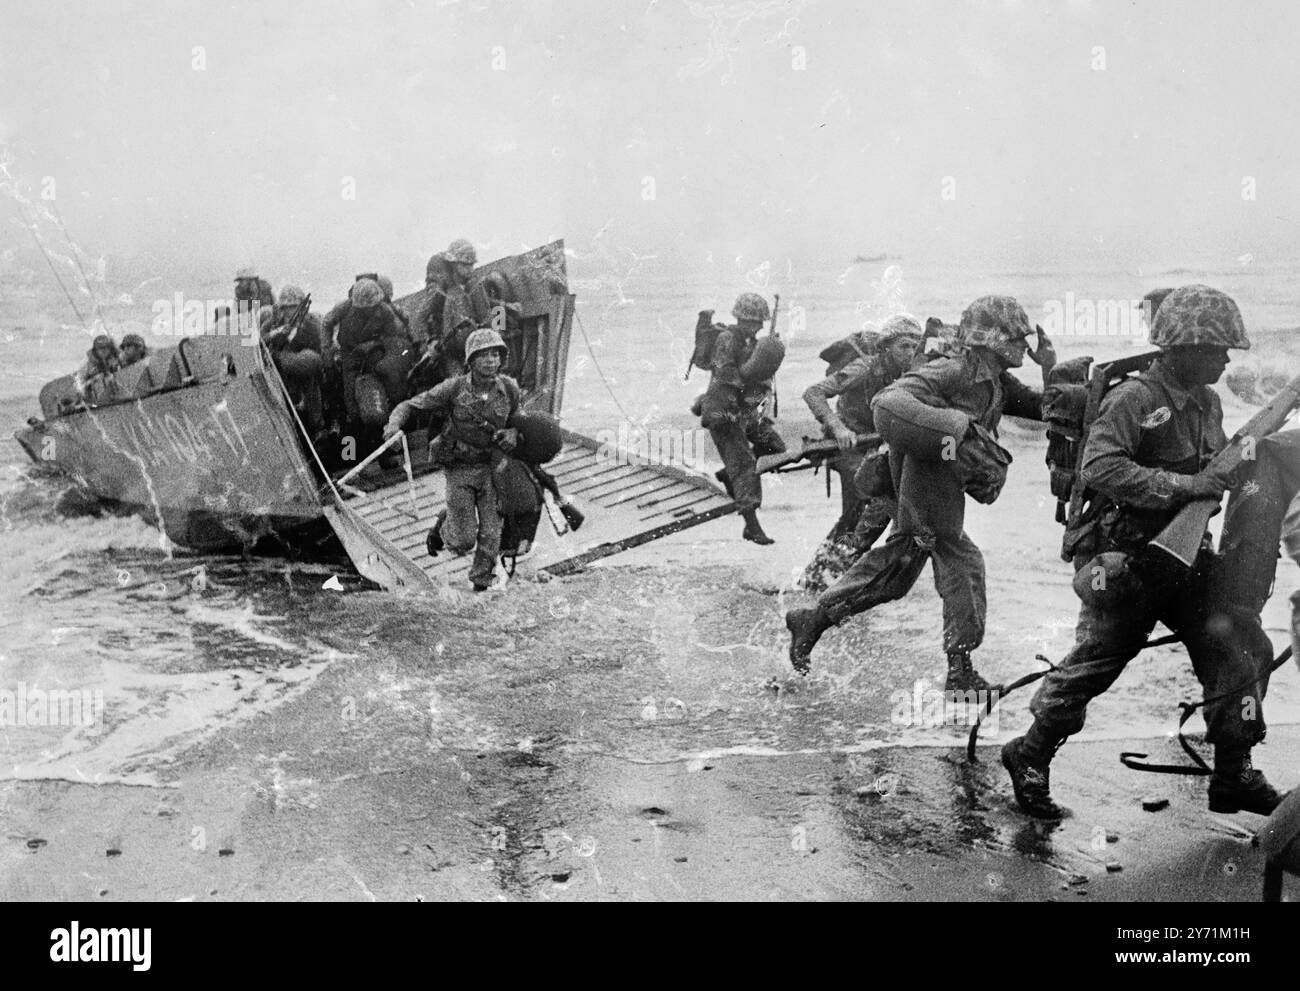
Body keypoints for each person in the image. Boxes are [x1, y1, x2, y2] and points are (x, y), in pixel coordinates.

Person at [1002, 285, 1282, 819]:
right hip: (1125, 559)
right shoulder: (1134, 399)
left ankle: (1233, 773)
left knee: (1241, 647)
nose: (1226, 359)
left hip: (1184, 558)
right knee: (1096, 664)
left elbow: (1216, 469)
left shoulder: (1209, 401)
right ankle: (1030, 754)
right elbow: (1100, 468)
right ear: (1183, 346)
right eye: (1218, 348)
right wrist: (1183, 489)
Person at [785, 296, 1047, 690]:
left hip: (935, 481)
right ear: (992, 339)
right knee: (962, 561)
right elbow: (888, 403)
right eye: (1016, 337)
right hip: (923, 477)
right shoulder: (954, 368)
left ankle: (814, 619)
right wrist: (954, 428)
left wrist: (1053, 368)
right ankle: (959, 675)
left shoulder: (993, 379)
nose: (1023, 346)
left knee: (900, 570)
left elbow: (1044, 409)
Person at [384, 328, 521, 592]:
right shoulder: (454, 388)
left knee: (492, 533)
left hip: (493, 467)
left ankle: (481, 583)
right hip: (460, 468)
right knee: (462, 541)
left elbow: (520, 419)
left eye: (495, 355)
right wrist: (393, 426)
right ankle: (442, 527)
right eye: (484, 356)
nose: (491, 361)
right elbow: (410, 405)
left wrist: (514, 432)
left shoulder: (508, 389)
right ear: (471, 361)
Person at [799, 314, 923, 591]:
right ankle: (819, 579)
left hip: (875, 447)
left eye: (914, 346)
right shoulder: (864, 367)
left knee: (874, 512)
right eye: (903, 346)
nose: (910, 353)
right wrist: (839, 428)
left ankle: (829, 575)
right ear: (886, 346)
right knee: (858, 508)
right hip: (847, 446)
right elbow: (813, 393)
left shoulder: (909, 374)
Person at [696, 292, 786, 544]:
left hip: (743, 411)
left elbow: (756, 378)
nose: (757, 326)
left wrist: (765, 357)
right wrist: (754, 369)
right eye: (752, 321)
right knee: (746, 465)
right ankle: (751, 525)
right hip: (723, 410)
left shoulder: (751, 342)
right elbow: (726, 373)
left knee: (775, 448)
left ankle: (729, 473)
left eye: (759, 323)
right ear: (740, 319)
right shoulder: (726, 339)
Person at [416, 239, 485, 383]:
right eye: (465, 265)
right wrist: (427, 343)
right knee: (460, 386)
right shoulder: (440, 290)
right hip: (447, 349)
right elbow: (419, 317)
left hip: (473, 347)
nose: (470, 269)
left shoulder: (473, 285)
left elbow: (488, 313)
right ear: (454, 264)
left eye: (471, 265)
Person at [260, 285, 325, 436]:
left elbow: (319, 350)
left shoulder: (312, 325)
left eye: (293, 307)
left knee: (311, 383)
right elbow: (259, 341)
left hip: (306, 371)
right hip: (279, 373)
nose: (290, 311)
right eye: (286, 307)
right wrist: (277, 333)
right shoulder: (272, 324)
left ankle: (318, 428)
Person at [75, 334, 122, 402]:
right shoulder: (87, 365)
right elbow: (79, 385)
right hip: (96, 394)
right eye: (100, 348)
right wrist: (94, 379)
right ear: (95, 350)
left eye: (106, 347)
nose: (104, 351)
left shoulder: (116, 357)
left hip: (118, 388)